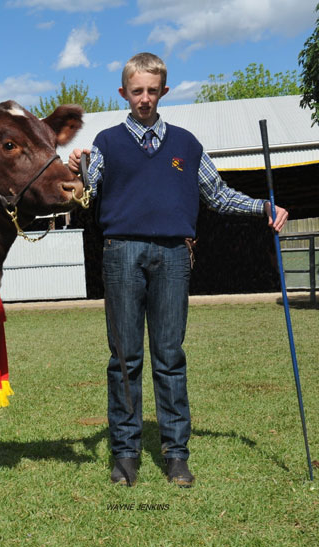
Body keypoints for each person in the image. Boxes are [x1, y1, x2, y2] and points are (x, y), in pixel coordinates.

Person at [68, 52, 288, 487]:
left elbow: (218, 194)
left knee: (169, 357)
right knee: (124, 359)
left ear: (164, 91)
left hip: (173, 257)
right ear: (123, 93)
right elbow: (85, 195)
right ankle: (126, 454)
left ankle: (176, 455)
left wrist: (263, 207)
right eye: (137, 91)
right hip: (122, 255)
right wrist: (78, 170)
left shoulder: (186, 145)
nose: (145, 99)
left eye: (152, 90)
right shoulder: (106, 144)